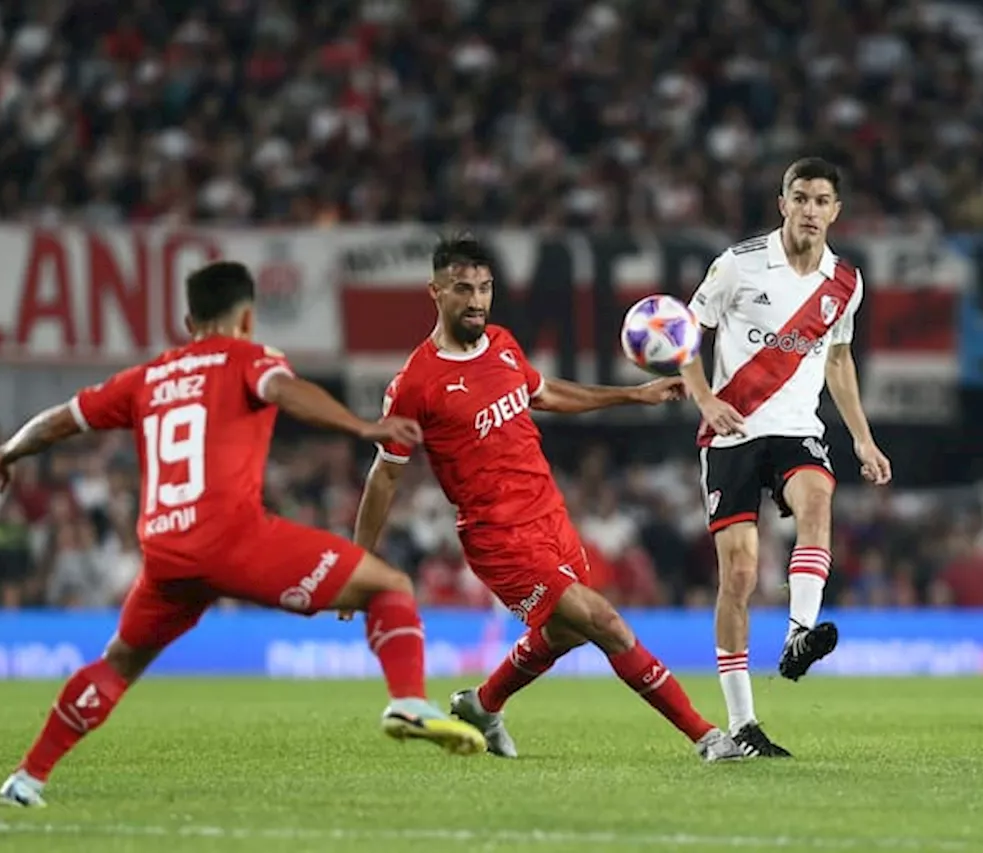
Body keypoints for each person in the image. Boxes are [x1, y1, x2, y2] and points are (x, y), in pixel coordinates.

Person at [0, 261, 486, 808]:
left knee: (118, 663)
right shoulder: (248, 358)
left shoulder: (145, 378)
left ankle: (27, 778)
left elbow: (60, 419)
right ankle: (407, 700)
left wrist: (6, 453)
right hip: (232, 541)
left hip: (165, 553)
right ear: (247, 316)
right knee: (390, 588)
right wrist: (364, 426)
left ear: (189, 319)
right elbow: (284, 391)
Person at [351, 235, 746, 763]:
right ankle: (708, 737)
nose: (476, 300)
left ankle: (483, 703)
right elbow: (386, 475)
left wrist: (633, 394)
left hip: (550, 516)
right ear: (436, 292)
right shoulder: (415, 384)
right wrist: (358, 561)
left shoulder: (504, 344)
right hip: (498, 536)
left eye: (485, 288)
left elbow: (546, 393)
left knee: (564, 632)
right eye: (463, 288)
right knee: (605, 622)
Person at [681, 157, 893, 757]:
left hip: (797, 428)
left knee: (818, 497)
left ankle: (801, 633)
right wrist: (704, 399)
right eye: (800, 197)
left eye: (821, 200)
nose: (809, 209)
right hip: (731, 433)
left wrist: (862, 437)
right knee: (741, 575)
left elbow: (839, 361)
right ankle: (743, 724)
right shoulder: (738, 265)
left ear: (835, 211)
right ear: (783, 203)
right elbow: (684, 338)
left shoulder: (844, 283)